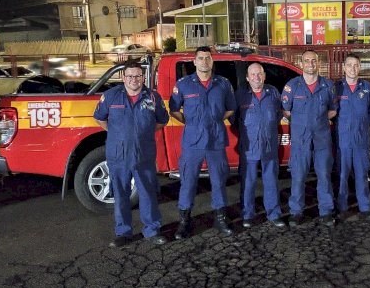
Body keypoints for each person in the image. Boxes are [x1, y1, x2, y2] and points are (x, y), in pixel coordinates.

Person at [93, 61, 169, 248]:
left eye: (137, 76)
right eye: (130, 76)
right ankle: (123, 232)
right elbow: (99, 118)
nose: (134, 80)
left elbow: (162, 121)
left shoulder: (152, 97)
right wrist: (118, 135)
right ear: (123, 78)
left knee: (147, 192)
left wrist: (144, 134)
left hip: (144, 154)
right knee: (121, 194)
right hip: (118, 155)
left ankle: (152, 230)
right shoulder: (110, 96)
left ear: (143, 77)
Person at [169, 46, 237, 239]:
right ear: (195, 61)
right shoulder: (183, 84)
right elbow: (173, 109)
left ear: (212, 61)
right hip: (192, 141)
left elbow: (231, 109)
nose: (204, 61)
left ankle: (220, 217)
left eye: (208, 58)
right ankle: (184, 221)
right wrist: (191, 123)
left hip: (216, 139)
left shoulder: (223, 84)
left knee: (218, 180)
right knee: (188, 182)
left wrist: (214, 120)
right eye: (201, 58)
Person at [281, 50, 337, 227]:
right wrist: (301, 123)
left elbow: (333, 109)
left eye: (314, 61)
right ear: (302, 63)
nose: (310, 64)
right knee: (298, 176)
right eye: (307, 61)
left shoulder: (328, 86)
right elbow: (286, 110)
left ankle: (326, 211)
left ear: (318, 63)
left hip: (322, 139)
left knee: (324, 176)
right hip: (300, 140)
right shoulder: (292, 86)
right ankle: (296, 211)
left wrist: (318, 121)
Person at [235, 63, 286, 229]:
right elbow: (233, 119)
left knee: (271, 181)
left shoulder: (273, 93)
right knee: (248, 182)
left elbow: (279, 113)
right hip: (248, 146)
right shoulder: (241, 95)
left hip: (269, 146)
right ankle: (248, 215)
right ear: (247, 78)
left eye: (259, 74)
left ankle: (274, 214)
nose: (256, 77)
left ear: (264, 75)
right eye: (253, 74)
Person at [334, 53, 370, 220]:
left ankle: (365, 208)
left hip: (361, 139)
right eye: (349, 65)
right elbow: (330, 110)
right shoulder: (336, 88)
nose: (353, 68)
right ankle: (341, 207)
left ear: (360, 67)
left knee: (361, 174)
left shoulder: (367, 88)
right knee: (342, 175)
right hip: (342, 139)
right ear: (344, 67)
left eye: (356, 65)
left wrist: (362, 123)